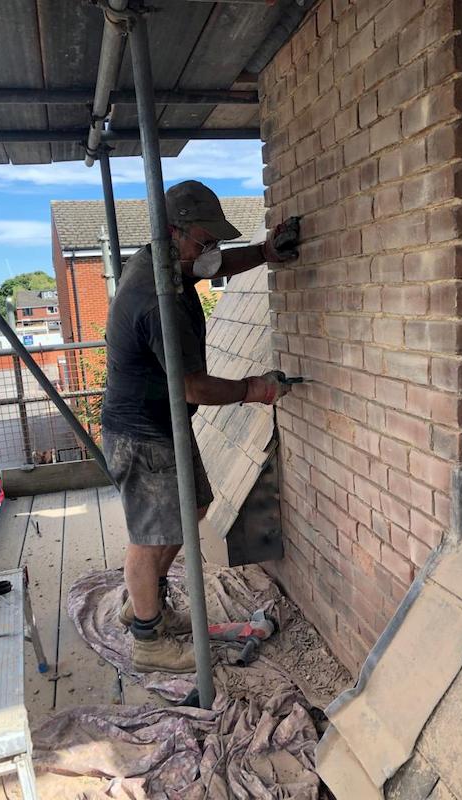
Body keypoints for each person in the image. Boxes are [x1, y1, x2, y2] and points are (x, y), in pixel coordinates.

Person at [101, 180, 299, 674]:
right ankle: (149, 639)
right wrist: (254, 389)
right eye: (204, 240)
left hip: (161, 427)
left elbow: (214, 267)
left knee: (193, 510)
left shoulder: (168, 263)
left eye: (215, 240)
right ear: (173, 231)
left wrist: (264, 252)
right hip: (143, 435)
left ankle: (141, 605)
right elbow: (193, 387)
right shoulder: (156, 297)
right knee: (152, 537)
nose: (211, 250)